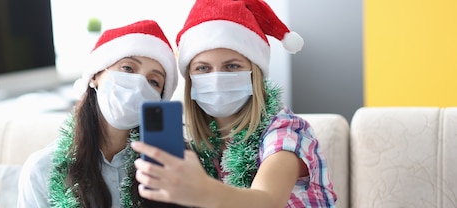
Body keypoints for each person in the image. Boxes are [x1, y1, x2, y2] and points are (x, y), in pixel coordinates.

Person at [131, 0, 338, 207]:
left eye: (232, 66)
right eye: (203, 68)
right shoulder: (200, 146)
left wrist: (203, 190)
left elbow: (268, 200)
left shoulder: (285, 130)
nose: (217, 78)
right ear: (190, 79)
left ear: (254, 74)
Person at [17, 20, 184, 208]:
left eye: (153, 82)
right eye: (127, 68)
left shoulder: (168, 167)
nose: (138, 85)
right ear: (95, 75)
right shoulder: (43, 170)